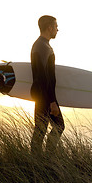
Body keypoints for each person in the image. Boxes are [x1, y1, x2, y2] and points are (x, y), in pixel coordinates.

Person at [30, 15, 65, 155]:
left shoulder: (42, 45)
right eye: (56, 26)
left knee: (41, 130)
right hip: (44, 96)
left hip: (41, 94)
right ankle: (46, 158)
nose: (57, 29)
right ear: (50, 28)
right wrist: (52, 102)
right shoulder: (42, 46)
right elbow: (44, 77)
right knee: (58, 126)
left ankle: (39, 159)